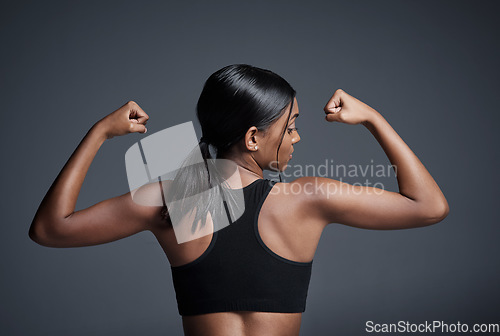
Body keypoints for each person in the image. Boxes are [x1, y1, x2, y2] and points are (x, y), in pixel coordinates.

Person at [29, 64, 450, 336]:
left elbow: (50, 229)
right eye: (291, 127)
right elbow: (429, 206)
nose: (296, 138)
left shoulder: (171, 199)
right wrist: (373, 119)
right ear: (253, 138)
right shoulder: (308, 198)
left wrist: (100, 132)